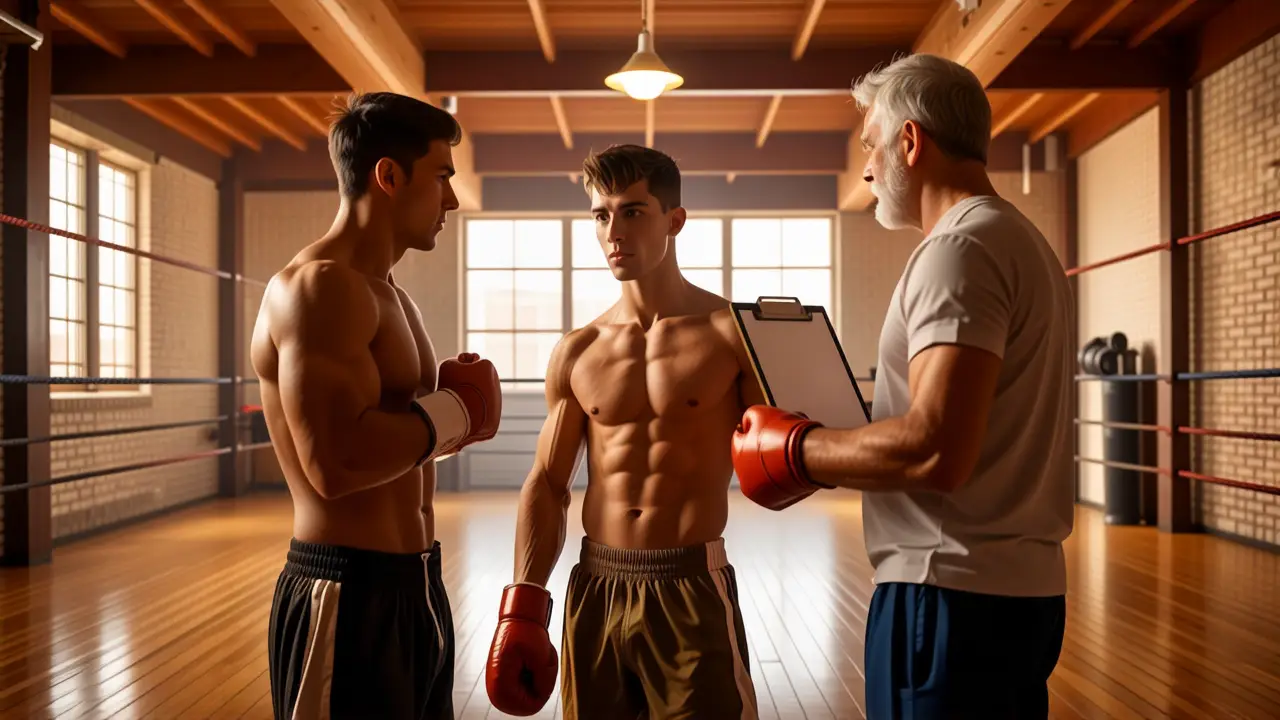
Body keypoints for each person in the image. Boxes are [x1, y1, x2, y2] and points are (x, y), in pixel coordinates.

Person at [729, 54, 1075, 719]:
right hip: (1014, 594)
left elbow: (933, 449)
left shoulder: (960, 251)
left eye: (871, 146)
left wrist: (794, 449)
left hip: (946, 592)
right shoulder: (1020, 241)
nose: (866, 169)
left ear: (910, 142)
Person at [481, 144, 763, 720]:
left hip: (691, 583)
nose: (614, 231)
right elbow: (547, 483)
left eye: (633, 211)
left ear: (674, 221)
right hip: (597, 586)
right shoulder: (578, 350)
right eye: (600, 214)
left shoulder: (731, 334)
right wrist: (524, 604)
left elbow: (784, 454)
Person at [251, 91, 502, 720]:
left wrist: (451, 421)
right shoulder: (320, 287)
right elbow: (334, 465)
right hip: (345, 590)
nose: (452, 198)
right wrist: (455, 413)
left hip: (414, 583)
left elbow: (403, 436)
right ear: (388, 175)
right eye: (442, 176)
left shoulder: (392, 296)